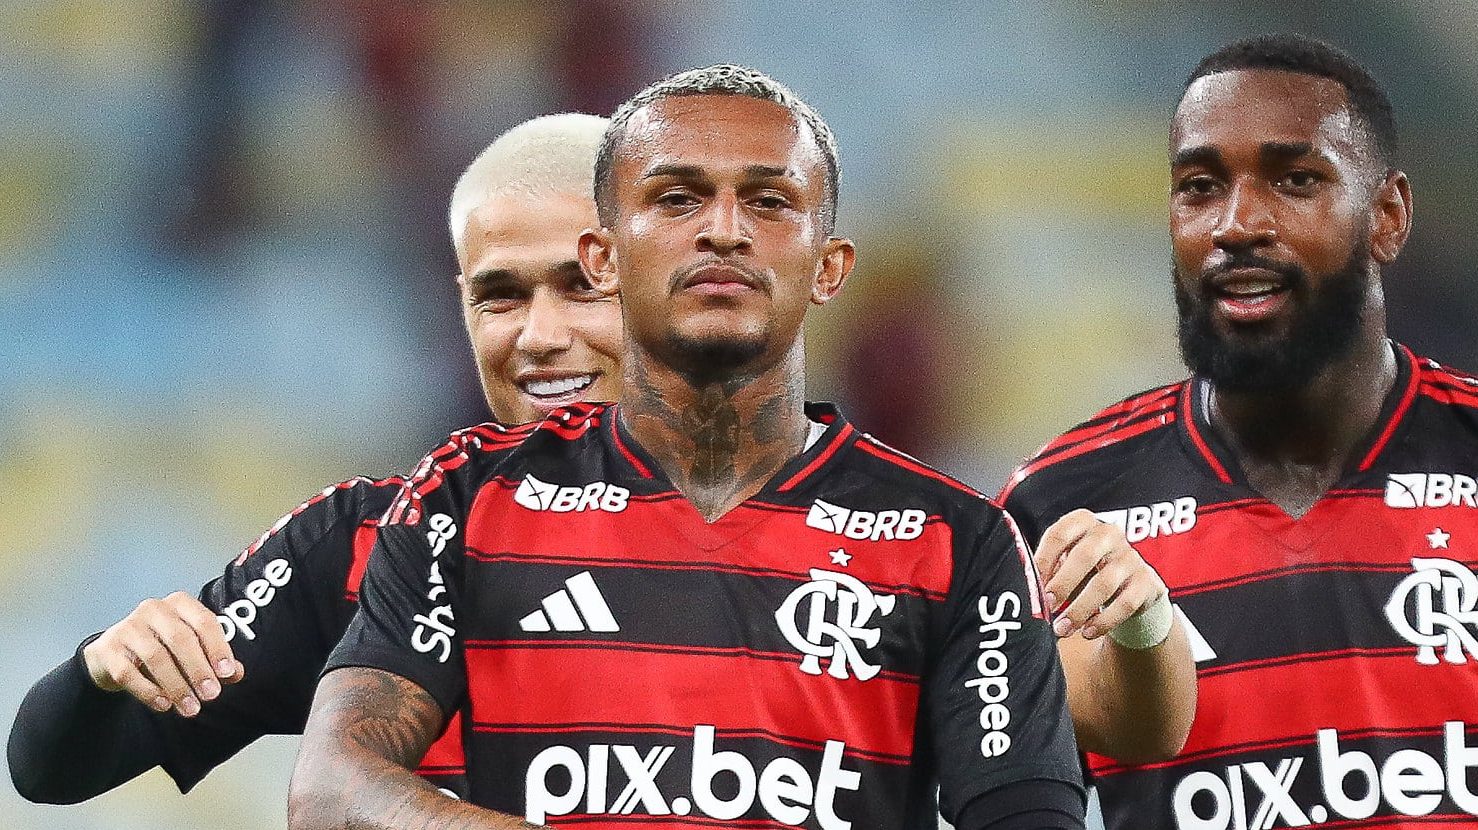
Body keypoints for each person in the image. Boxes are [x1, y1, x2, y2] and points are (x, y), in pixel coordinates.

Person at [288, 65, 1089, 830]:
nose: (724, 231)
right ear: (603, 258)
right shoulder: (465, 499)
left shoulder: (957, 541)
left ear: (830, 267)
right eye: (678, 199)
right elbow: (333, 791)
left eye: (770, 202)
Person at [7, 113, 622, 804]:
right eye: (502, 294)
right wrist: (103, 667)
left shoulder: (765, 532)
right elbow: (50, 767)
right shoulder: (365, 542)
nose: (540, 335)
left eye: (585, 286)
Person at [1000, 34, 1478, 829]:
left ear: (1387, 216)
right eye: (1199, 186)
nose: (1238, 223)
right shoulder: (1060, 508)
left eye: (1296, 180)